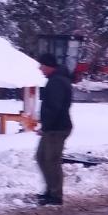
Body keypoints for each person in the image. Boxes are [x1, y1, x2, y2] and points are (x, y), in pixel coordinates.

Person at [35, 52, 73, 206]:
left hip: (57, 128)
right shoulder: (56, 80)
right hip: (54, 127)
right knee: (42, 158)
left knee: (51, 160)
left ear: (49, 66)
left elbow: (54, 108)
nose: (40, 69)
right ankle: (50, 190)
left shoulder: (57, 82)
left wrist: (46, 126)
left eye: (42, 65)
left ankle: (56, 195)